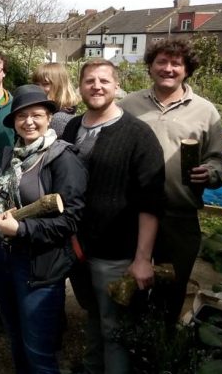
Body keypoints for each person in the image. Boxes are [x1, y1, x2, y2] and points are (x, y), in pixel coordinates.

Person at [62, 60, 165, 374]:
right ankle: (93, 367)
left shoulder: (137, 134)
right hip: (79, 245)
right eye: (89, 80)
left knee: (114, 328)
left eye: (104, 80)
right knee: (93, 315)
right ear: (79, 87)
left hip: (116, 252)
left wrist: (142, 258)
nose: (96, 86)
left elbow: (151, 201)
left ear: (117, 86)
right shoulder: (72, 127)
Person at [120, 38, 222, 327]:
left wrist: (211, 171)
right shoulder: (128, 105)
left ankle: (159, 347)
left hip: (179, 216)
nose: (168, 68)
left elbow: (221, 162)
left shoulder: (205, 112)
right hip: (130, 215)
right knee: (129, 286)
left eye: (175, 63)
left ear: (187, 70)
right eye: (161, 62)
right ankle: (126, 344)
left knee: (171, 290)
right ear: (150, 66)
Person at [0, 85, 87, 373]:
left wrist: (22, 230)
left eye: (36, 115)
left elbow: (70, 220)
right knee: (13, 334)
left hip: (39, 267)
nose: (29, 122)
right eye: (21, 116)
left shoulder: (63, 158)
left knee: (38, 349)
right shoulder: (8, 157)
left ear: (50, 117)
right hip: (2, 261)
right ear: (13, 122)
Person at [32, 62, 81, 137]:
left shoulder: (59, 119)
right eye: (36, 85)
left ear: (60, 86)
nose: (39, 89)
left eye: (46, 84)